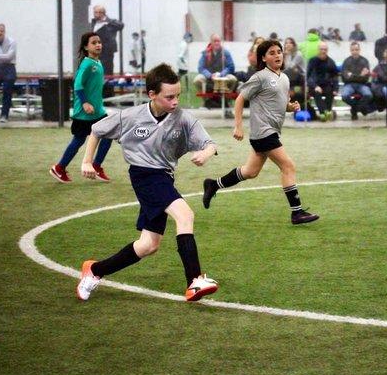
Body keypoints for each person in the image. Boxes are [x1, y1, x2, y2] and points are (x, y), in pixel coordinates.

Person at [76, 63, 219, 302]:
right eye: (169, 97)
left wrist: (206, 153)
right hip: (144, 175)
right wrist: (87, 161)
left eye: (178, 96)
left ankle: (95, 270)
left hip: (164, 176)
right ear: (152, 94)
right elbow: (97, 130)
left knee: (148, 245)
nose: (175, 102)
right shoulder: (131, 116)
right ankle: (194, 280)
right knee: (185, 215)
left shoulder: (182, 118)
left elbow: (210, 143)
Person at [201, 40, 319, 226]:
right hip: (263, 132)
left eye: (279, 52)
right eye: (271, 53)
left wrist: (291, 107)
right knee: (288, 166)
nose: (277, 55)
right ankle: (297, 213)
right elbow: (240, 99)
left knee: (250, 172)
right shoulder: (260, 77)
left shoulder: (285, 79)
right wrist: (238, 125)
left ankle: (213, 184)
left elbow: (281, 105)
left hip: (270, 132)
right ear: (263, 58)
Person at [49, 32, 112, 183]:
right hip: (84, 113)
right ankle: (59, 168)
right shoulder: (87, 63)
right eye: (94, 43)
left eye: (99, 42)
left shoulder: (97, 62)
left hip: (97, 112)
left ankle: (96, 166)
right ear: (86, 47)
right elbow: (77, 85)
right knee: (79, 140)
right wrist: (85, 102)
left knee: (108, 134)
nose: (98, 45)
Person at [306, 42, 339, 120]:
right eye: (321, 49)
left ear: (327, 50)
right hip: (314, 85)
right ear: (318, 50)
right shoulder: (312, 61)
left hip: (326, 85)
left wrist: (335, 89)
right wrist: (315, 86)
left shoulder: (331, 62)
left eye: (325, 49)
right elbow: (308, 76)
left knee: (330, 91)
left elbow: (335, 76)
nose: (323, 51)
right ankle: (324, 112)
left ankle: (326, 113)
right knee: (317, 92)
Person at [341, 42, 372, 120]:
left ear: (359, 50)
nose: (355, 51)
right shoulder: (346, 61)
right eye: (353, 50)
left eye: (356, 49)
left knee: (368, 95)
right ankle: (360, 108)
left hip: (362, 84)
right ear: (350, 50)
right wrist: (360, 75)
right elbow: (345, 78)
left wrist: (352, 75)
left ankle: (354, 110)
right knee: (344, 96)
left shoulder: (365, 61)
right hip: (349, 84)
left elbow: (366, 78)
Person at [90, 5, 124, 76]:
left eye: (100, 12)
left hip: (107, 51)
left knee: (107, 71)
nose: (97, 14)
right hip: (95, 51)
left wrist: (107, 20)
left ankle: (108, 86)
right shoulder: (93, 23)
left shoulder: (110, 22)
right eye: (96, 12)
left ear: (104, 13)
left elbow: (121, 25)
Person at [283, 37, 305, 106]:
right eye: (286, 43)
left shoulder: (298, 54)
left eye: (290, 43)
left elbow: (290, 66)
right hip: (291, 77)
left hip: (300, 78)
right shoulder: (285, 54)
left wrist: (286, 55)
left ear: (294, 45)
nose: (288, 45)